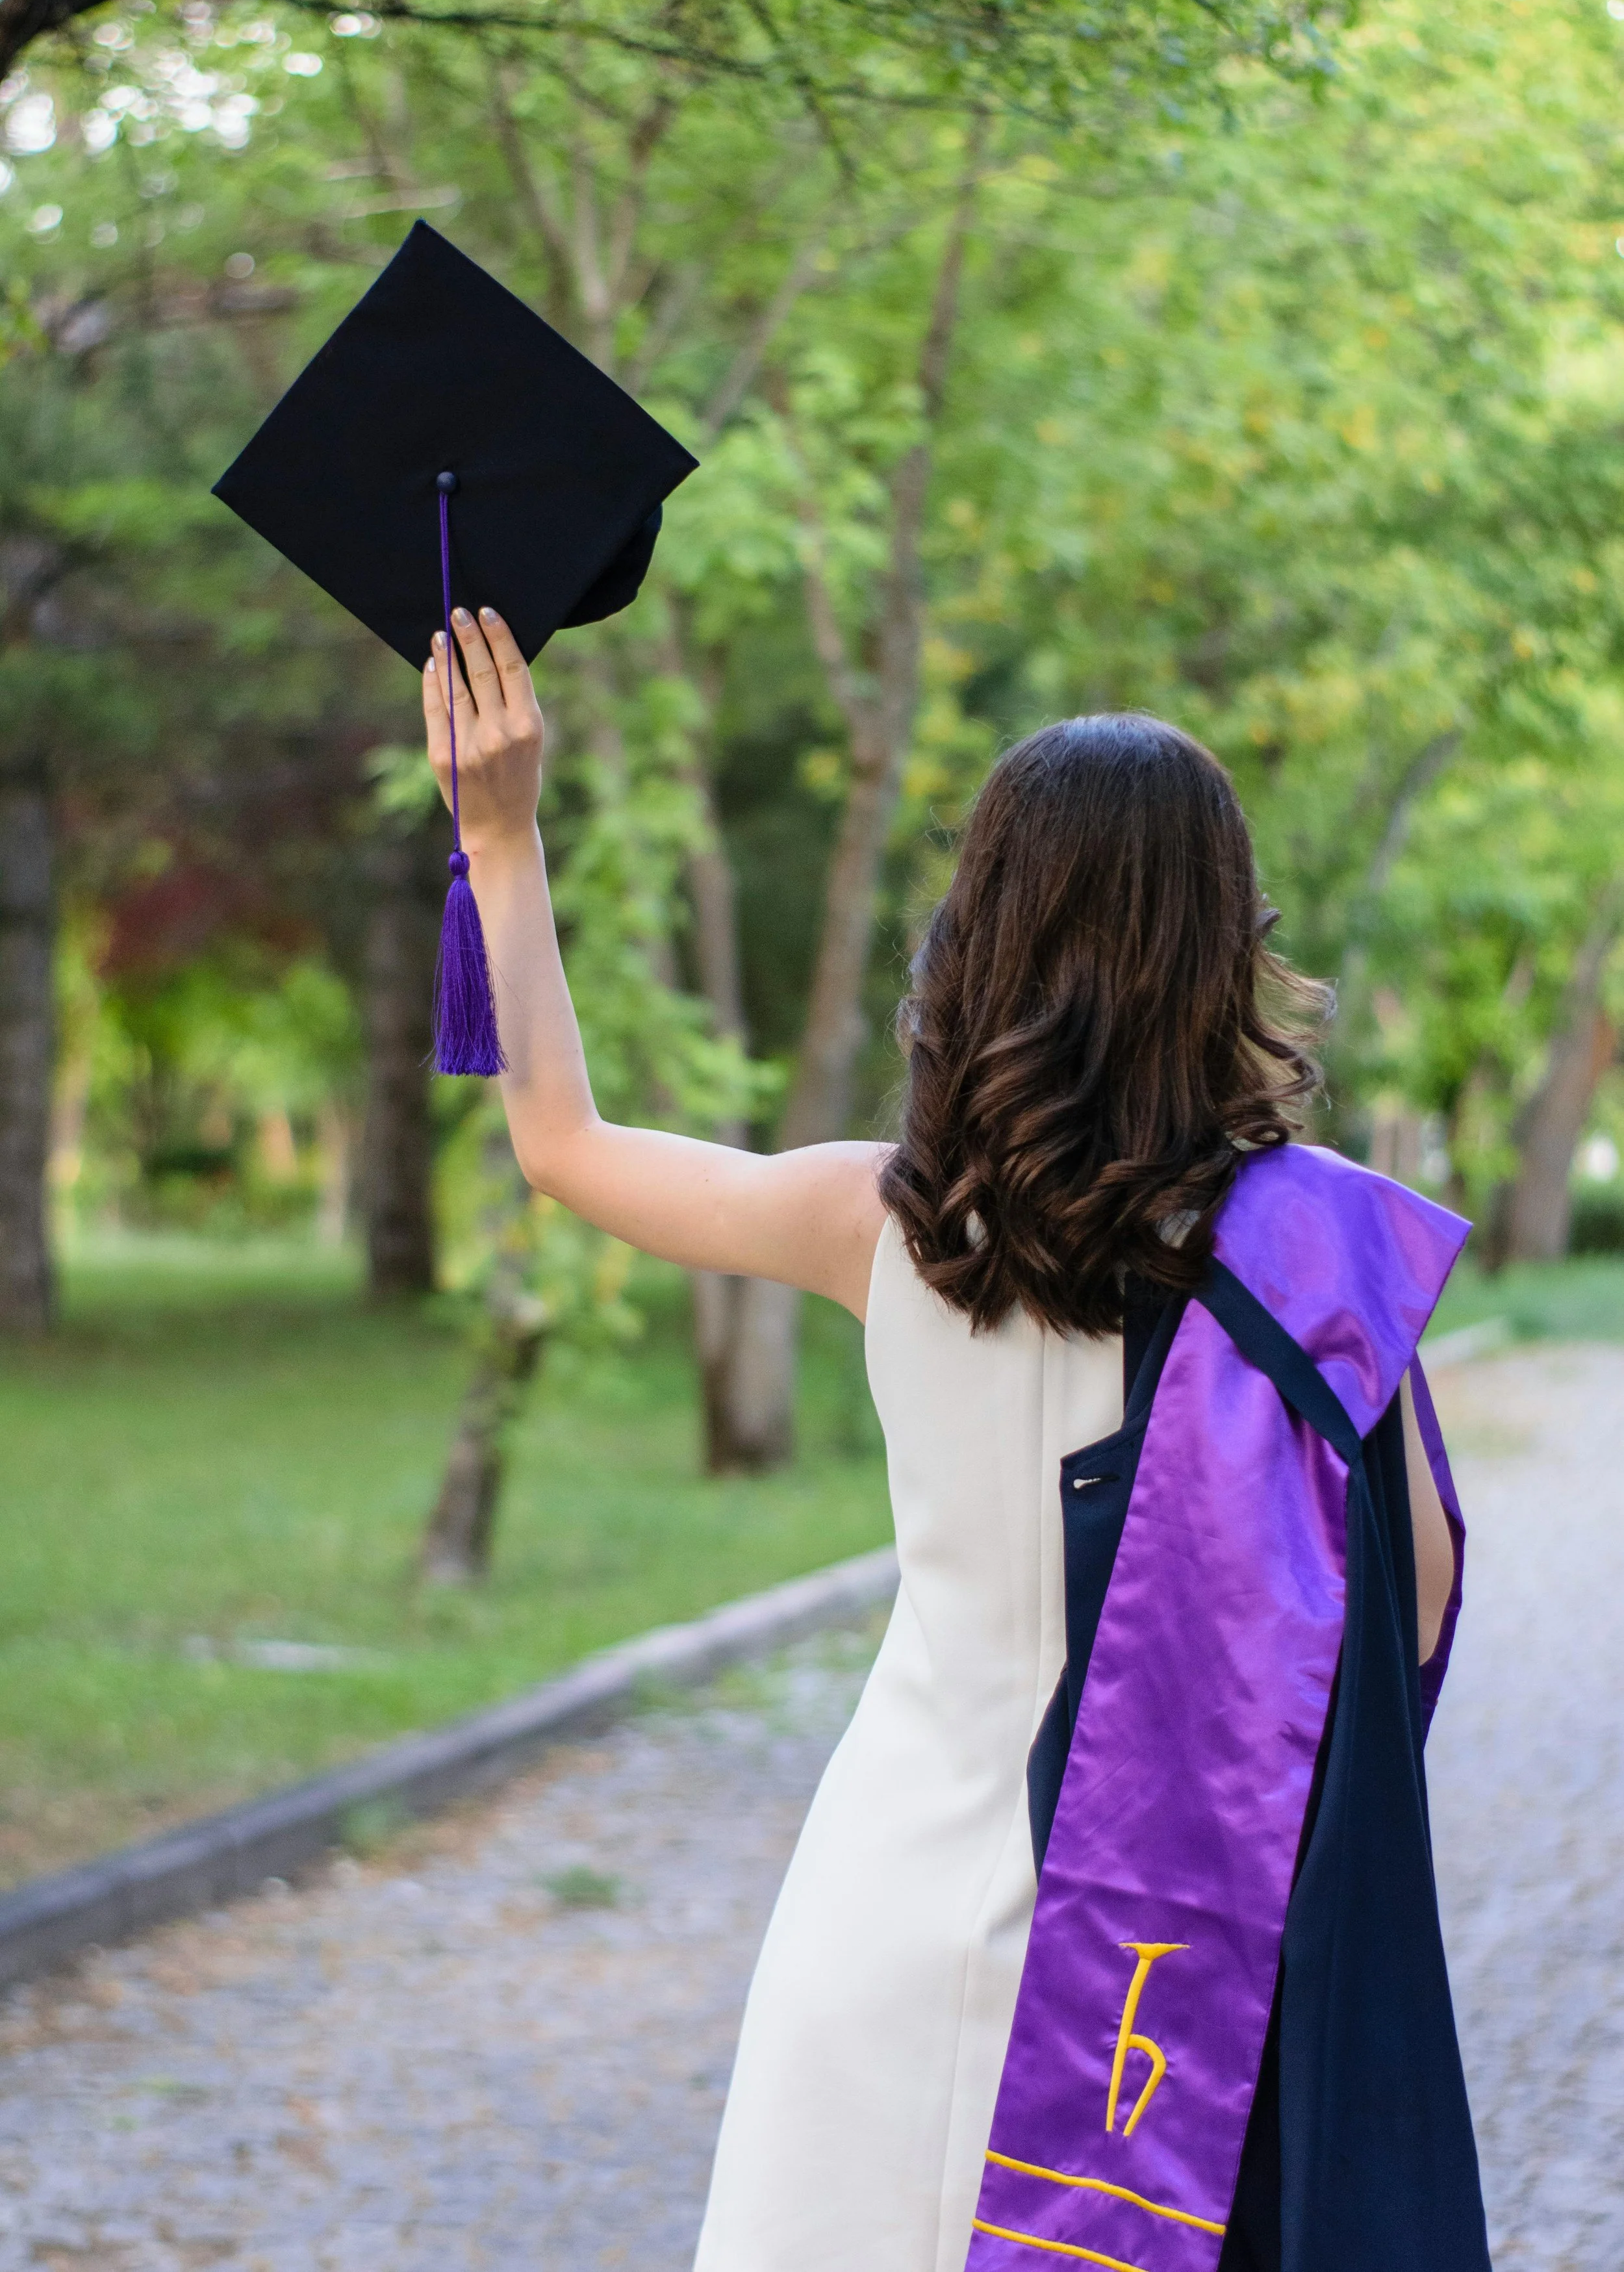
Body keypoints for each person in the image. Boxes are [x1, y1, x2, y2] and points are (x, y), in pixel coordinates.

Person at [423, 607, 1491, 2272]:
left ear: (977, 930)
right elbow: (1407, 1607)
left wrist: (499, 832)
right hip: (1153, 1986)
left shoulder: (877, 1220)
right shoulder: (1316, 1270)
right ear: (1225, 945)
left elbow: (561, 1143)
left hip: (883, 1919)